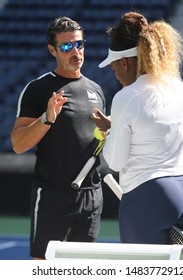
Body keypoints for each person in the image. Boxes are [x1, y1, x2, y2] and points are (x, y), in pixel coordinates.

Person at [92, 12, 183, 245]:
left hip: (150, 198)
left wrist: (108, 132)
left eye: (113, 68)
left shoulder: (126, 97)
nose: (115, 75)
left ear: (125, 62)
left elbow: (115, 162)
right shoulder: (181, 88)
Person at [10, 16, 106, 259]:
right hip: (53, 195)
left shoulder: (96, 89)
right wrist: (47, 117)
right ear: (52, 50)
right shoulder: (38, 89)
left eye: (79, 44)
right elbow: (19, 144)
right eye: (66, 46)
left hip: (92, 194)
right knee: (45, 267)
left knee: (82, 269)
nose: (75, 51)